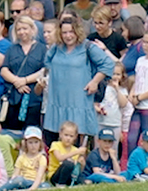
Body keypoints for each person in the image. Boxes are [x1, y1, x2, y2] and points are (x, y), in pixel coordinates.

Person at [44, 15, 114, 144]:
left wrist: (94, 82)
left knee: (75, 144)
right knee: (54, 143)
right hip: (57, 99)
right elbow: (47, 63)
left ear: (78, 31)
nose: (68, 36)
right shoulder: (56, 48)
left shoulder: (88, 47)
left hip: (78, 100)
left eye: (71, 32)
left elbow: (108, 64)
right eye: (64, 32)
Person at [0, 15, 46, 129]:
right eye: (19, 29)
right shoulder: (12, 49)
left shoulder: (42, 48)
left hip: (34, 96)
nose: (22, 32)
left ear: (32, 29)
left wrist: (25, 80)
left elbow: (44, 70)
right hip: (14, 97)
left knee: (32, 130)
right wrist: (16, 82)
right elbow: (4, 70)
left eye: (25, 28)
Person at [0, 126, 48, 191]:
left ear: (40, 143)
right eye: (30, 142)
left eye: (36, 142)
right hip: (24, 181)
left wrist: (33, 188)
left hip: (37, 183)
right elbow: (16, 173)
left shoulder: (42, 158)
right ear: (25, 143)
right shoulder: (22, 158)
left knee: (46, 186)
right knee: (18, 180)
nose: (33, 145)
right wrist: (13, 182)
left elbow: (40, 175)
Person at [47, 120, 88, 186]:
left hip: (69, 175)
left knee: (81, 180)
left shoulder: (75, 149)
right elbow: (60, 158)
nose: (68, 138)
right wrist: (76, 152)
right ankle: (60, 184)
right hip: (55, 175)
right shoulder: (55, 145)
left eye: (71, 136)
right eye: (66, 135)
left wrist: (82, 163)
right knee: (68, 164)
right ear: (60, 134)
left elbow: (78, 169)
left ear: (75, 137)